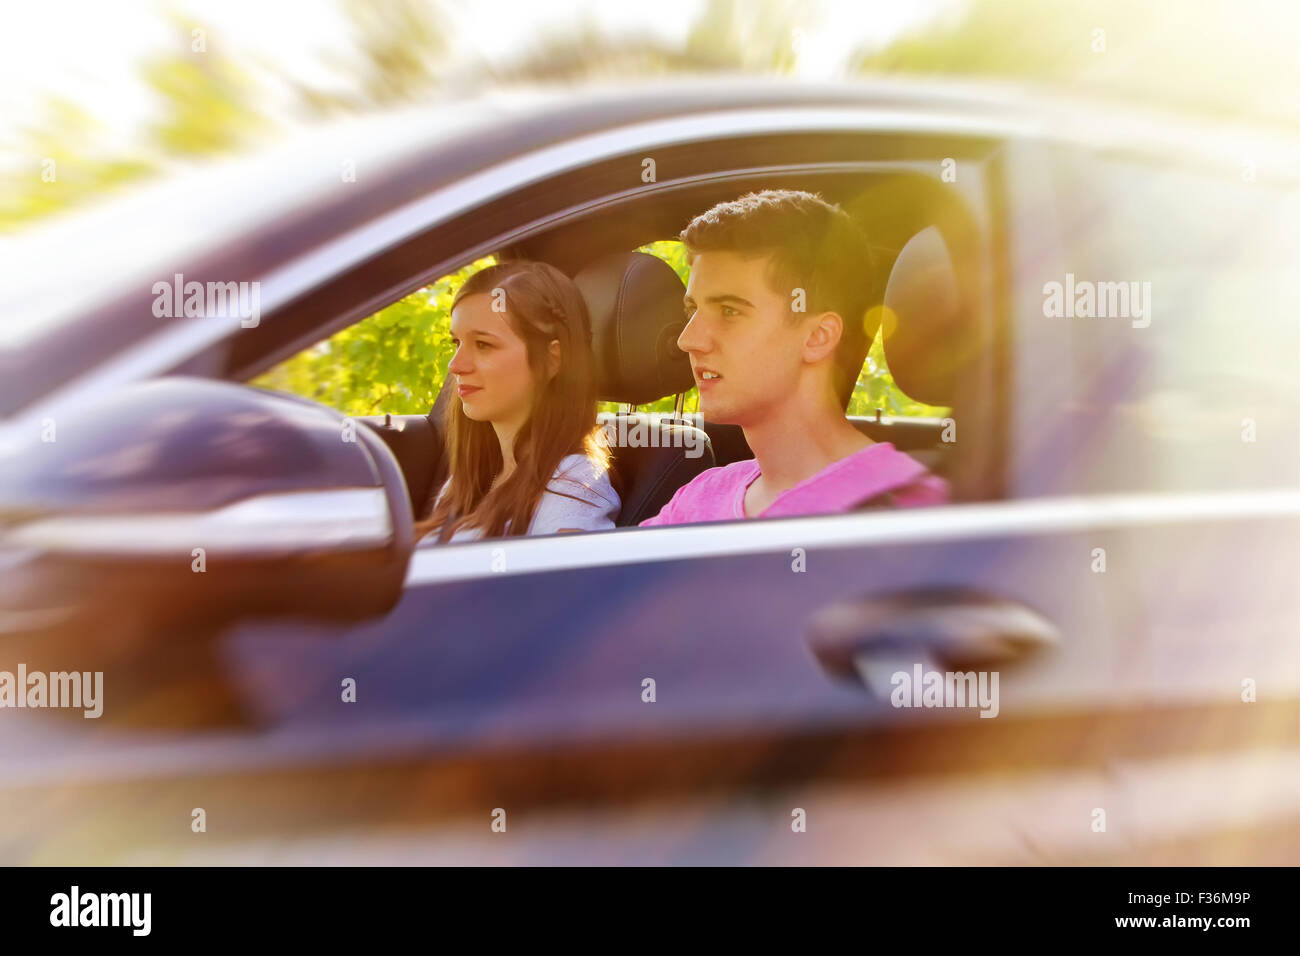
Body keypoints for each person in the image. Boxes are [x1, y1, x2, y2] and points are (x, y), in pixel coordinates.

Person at [640, 189, 948, 527]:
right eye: (693, 310)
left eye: (729, 311)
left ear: (818, 337)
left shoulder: (910, 507)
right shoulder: (699, 496)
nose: (687, 340)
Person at [415, 260, 619, 545]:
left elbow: (568, 588)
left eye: (483, 345)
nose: (455, 365)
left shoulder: (573, 485)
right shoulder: (470, 479)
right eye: (456, 343)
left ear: (552, 359)